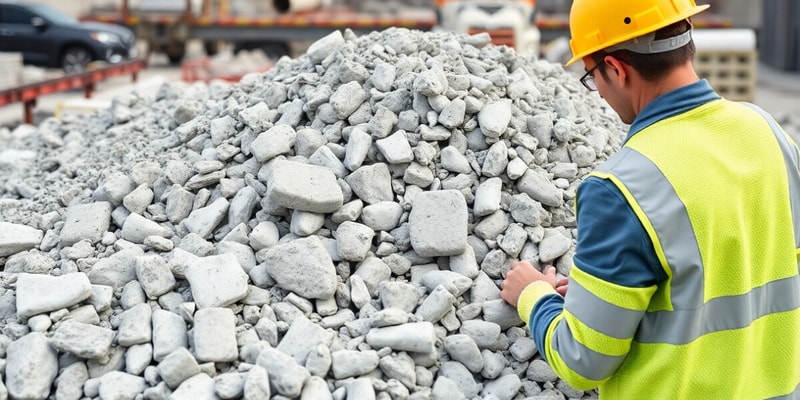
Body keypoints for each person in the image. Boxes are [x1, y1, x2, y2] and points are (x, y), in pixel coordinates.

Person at [500, 0, 800, 398]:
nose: (600, 93)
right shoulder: (769, 133)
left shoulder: (620, 187)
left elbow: (582, 360)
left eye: (592, 76)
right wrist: (606, 295)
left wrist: (532, 296)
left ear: (617, 69)